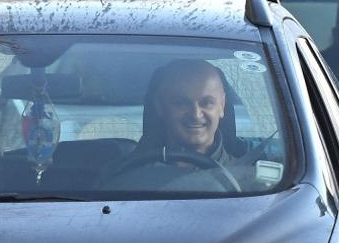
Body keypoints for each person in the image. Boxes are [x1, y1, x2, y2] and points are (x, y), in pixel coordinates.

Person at [103, 59, 252, 182]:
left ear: (222, 106)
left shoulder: (253, 183)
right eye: (181, 103)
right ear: (159, 106)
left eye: (206, 103)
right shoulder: (123, 180)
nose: (195, 114)